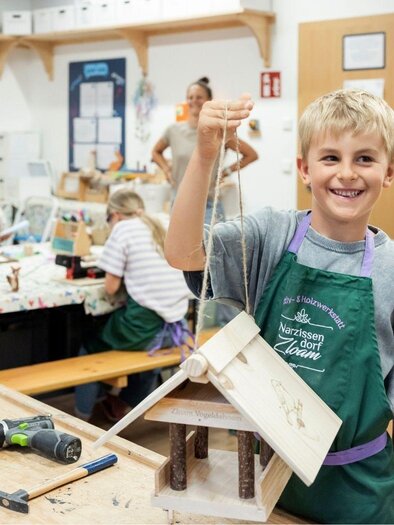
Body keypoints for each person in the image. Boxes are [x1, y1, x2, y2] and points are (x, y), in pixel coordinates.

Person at [164, 89, 394, 524]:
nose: (347, 173)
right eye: (330, 158)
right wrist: (205, 154)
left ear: (388, 173)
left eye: (365, 158)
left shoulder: (390, 271)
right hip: (262, 477)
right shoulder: (272, 235)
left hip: (356, 493)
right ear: (305, 169)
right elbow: (182, 253)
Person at [75, 187, 190, 422]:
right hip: (177, 328)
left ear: (115, 215)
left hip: (145, 329)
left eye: (108, 220)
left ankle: (78, 419)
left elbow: (110, 288)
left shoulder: (123, 230)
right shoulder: (161, 221)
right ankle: (121, 403)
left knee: (88, 347)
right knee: (148, 358)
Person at [151, 76, 258, 223]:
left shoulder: (218, 131)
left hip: (208, 203)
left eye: (199, 97)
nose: (194, 101)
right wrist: (167, 170)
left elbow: (251, 155)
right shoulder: (173, 131)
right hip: (179, 200)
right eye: (190, 97)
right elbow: (155, 152)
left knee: (211, 246)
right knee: (179, 245)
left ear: (209, 100)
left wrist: (225, 172)